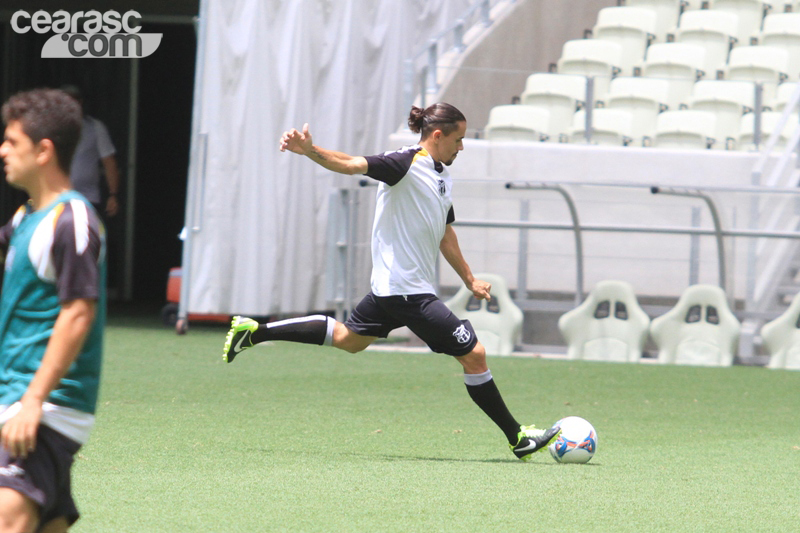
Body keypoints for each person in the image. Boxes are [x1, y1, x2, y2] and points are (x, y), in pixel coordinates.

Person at [222, 102, 559, 461]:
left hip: (395, 289)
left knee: (350, 340)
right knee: (474, 355)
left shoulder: (442, 174)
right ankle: (518, 437)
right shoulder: (404, 163)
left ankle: (254, 331)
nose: (462, 147)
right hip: (407, 292)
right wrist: (309, 150)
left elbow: (445, 233)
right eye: (459, 140)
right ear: (437, 135)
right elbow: (352, 164)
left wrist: (470, 279)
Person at [0, 89, 106, 533]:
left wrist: (33, 402)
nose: (3, 150)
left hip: (41, 408)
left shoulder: (72, 219)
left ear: (44, 150)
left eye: (12, 142)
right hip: (20, 399)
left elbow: (78, 313)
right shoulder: (27, 218)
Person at [60, 86, 121, 219]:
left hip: (87, 198)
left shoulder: (95, 127)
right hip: (57, 198)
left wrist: (113, 195)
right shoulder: (53, 129)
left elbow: (109, 163)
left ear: (79, 102)